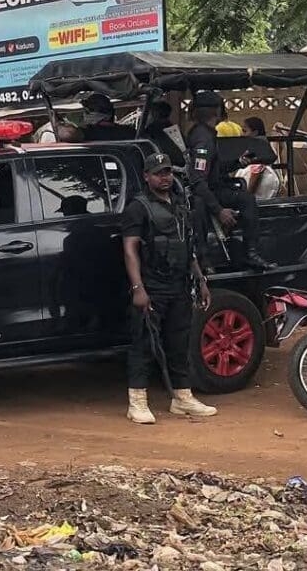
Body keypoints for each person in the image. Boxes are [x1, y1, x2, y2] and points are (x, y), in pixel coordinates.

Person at [122, 152, 215, 424]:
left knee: (179, 342)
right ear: (146, 176)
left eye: (168, 172)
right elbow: (130, 250)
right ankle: (137, 402)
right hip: (152, 285)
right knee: (144, 344)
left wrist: (201, 280)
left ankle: (182, 398)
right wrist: (138, 288)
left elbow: (189, 247)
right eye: (159, 173)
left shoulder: (180, 204)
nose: (165, 178)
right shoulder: (137, 208)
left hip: (179, 284)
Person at [186, 91, 272, 271]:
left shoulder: (205, 133)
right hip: (206, 193)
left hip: (212, 187)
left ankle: (250, 253)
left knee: (245, 198)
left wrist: (237, 163)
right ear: (217, 111)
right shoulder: (203, 139)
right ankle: (247, 253)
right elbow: (198, 179)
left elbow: (212, 169)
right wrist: (219, 211)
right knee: (244, 199)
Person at [238, 117, 281, 200]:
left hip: (258, 193)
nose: (241, 134)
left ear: (255, 132)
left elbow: (256, 170)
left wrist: (247, 197)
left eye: (245, 131)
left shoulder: (256, 145)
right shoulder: (263, 144)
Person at [142, 100, 186, 168]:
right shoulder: (173, 129)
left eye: (150, 112)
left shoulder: (152, 129)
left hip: (164, 166)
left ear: (155, 113)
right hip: (180, 165)